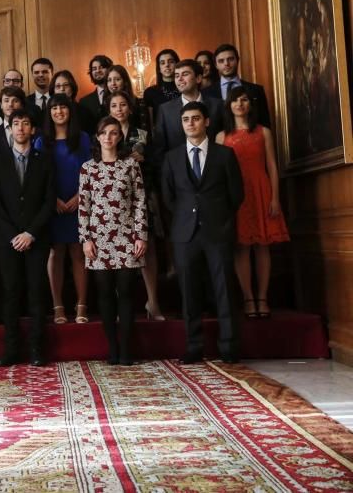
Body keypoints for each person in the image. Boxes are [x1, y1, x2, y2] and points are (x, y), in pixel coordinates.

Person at [162, 101, 244, 364]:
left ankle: (229, 346)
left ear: (206, 122)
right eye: (186, 120)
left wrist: (218, 218)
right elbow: (168, 197)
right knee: (189, 290)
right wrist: (187, 217)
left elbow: (236, 195)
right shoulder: (171, 157)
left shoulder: (225, 155)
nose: (190, 123)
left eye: (195, 118)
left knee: (224, 289)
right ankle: (194, 345)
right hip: (185, 233)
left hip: (217, 230)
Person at [0, 111, 56, 367]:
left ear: (33, 130)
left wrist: (30, 233)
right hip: (8, 241)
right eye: (16, 124)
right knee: (10, 293)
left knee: (37, 293)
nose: (20, 128)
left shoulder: (45, 161)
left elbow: (49, 201)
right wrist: (13, 235)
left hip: (36, 238)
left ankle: (38, 350)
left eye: (25, 123)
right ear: (10, 129)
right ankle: (11, 350)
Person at [79, 117, 148, 365]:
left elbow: (140, 201)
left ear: (120, 137)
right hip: (98, 240)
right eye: (104, 133)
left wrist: (141, 235)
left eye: (114, 133)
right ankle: (113, 349)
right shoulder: (88, 168)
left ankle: (127, 349)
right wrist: (85, 239)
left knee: (127, 293)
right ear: (97, 137)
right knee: (105, 295)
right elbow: (84, 207)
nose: (109, 137)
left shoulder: (130, 165)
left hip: (127, 237)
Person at [216, 86, 289, 318]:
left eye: (244, 100)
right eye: (235, 100)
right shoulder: (221, 136)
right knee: (241, 247)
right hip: (236, 194)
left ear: (250, 105)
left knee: (262, 247)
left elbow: (272, 167)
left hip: (261, 190)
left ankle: (263, 297)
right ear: (229, 105)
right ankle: (248, 298)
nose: (240, 104)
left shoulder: (263, 132)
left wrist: (275, 197)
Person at [35, 95, 92, 325]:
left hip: (80, 202)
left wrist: (80, 196)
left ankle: (81, 305)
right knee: (55, 253)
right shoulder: (41, 141)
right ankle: (58, 306)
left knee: (78, 253)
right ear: (49, 112)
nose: (59, 111)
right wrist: (53, 200)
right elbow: (38, 179)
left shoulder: (84, 139)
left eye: (63, 107)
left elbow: (90, 170)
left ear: (70, 111)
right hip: (54, 206)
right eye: (54, 108)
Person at [108, 91, 165, 320]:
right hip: (114, 199)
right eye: (114, 105)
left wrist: (144, 158)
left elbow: (153, 161)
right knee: (118, 251)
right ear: (109, 109)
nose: (119, 109)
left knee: (147, 247)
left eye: (123, 105)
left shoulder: (141, 133)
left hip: (141, 194)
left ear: (130, 108)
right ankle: (123, 307)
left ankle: (153, 302)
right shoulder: (106, 134)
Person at [153, 59, 225, 165]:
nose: (180, 79)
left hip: (214, 169)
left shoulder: (218, 105)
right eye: (177, 76)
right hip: (178, 173)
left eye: (185, 74)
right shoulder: (165, 110)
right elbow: (160, 150)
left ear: (198, 78)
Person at [203, 43, 272, 128]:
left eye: (230, 59)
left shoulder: (256, 90)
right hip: (217, 139)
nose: (226, 64)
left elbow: (265, 123)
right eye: (221, 61)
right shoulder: (206, 93)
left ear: (237, 60)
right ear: (216, 65)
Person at [143, 48, 180, 127]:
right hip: (161, 135)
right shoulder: (150, 92)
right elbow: (150, 123)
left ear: (177, 64)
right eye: (162, 63)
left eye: (171, 62)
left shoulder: (185, 89)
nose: (167, 65)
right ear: (159, 68)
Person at [0, 85, 25, 158]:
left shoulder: (33, 132)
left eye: (15, 101)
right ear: (1, 105)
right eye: (6, 100)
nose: (10, 104)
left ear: (21, 105)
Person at [105, 65, 146, 129]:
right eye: (109, 80)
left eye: (117, 79)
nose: (113, 83)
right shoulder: (103, 106)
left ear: (125, 81)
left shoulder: (138, 103)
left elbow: (143, 131)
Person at [78, 55, 113, 124]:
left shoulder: (120, 95)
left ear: (110, 69)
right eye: (94, 69)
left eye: (101, 67)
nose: (98, 71)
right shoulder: (84, 102)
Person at [26, 58, 54, 127]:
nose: (40, 75)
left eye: (45, 72)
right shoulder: (25, 102)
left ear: (52, 73)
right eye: (36, 72)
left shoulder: (59, 99)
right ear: (32, 75)